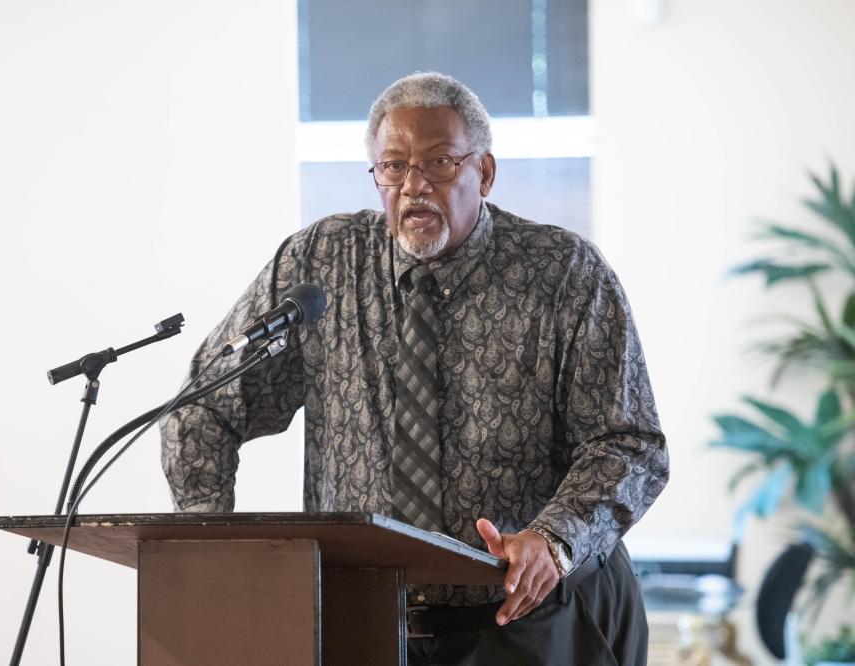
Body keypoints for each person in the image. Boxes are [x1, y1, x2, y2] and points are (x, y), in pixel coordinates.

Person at [161, 71, 669, 665]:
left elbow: (629, 444)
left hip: (531, 621)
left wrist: (555, 542)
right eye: (394, 167)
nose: (414, 186)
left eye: (440, 163)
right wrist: (210, 548)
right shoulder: (322, 264)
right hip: (364, 624)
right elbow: (203, 407)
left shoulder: (566, 274)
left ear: (484, 173)